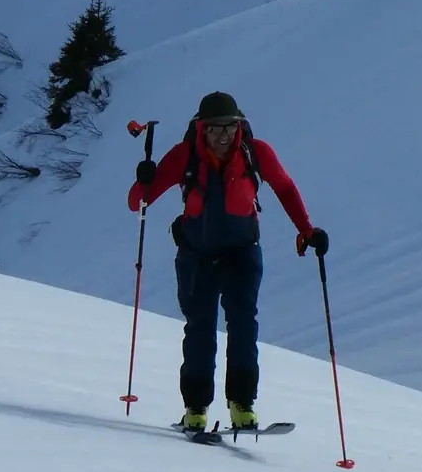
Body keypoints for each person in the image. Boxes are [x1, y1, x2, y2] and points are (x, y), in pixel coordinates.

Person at [125, 92, 328, 432]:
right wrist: (144, 179)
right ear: (201, 128)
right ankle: (196, 408)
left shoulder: (256, 152)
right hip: (196, 255)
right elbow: (138, 203)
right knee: (200, 329)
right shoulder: (184, 156)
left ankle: (242, 405)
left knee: (244, 325)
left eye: (230, 127)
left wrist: (307, 230)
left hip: (242, 251)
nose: (224, 135)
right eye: (216, 128)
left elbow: (285, 187)